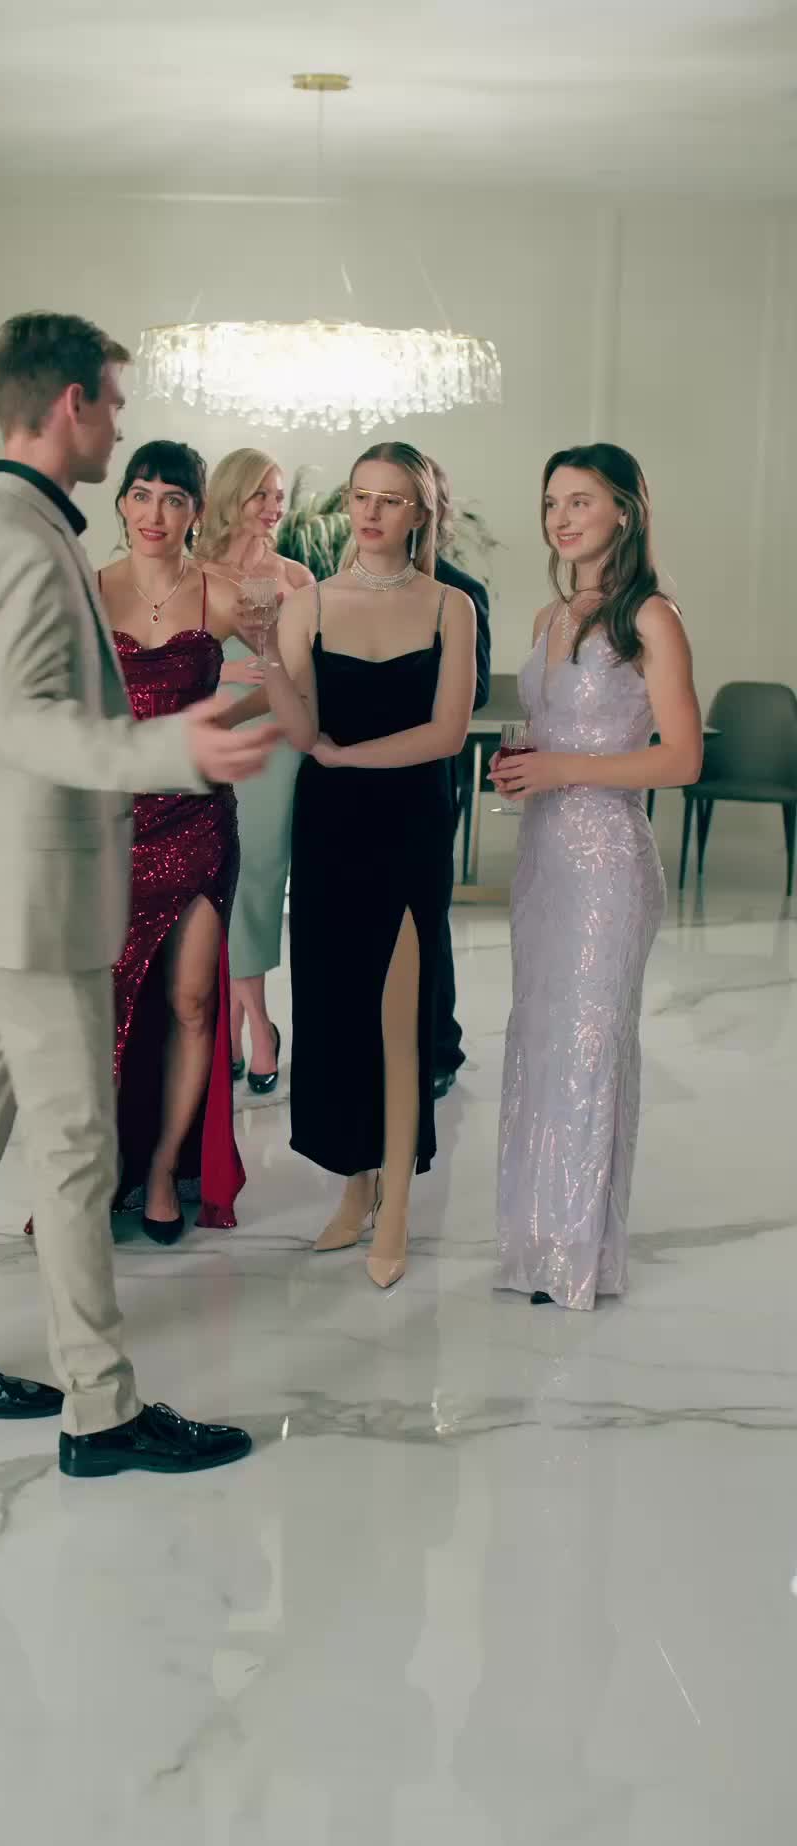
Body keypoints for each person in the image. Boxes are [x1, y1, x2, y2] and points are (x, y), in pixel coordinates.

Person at [0, 313, 278, 1478]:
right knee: (72, 1145)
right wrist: (173, 749)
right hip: (30, 892)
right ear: (71, 404)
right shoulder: (18, 542)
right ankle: (101, 1411)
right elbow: (25, 725)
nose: (117, 424)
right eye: (112, 401)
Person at [259, 442, 476, 1289]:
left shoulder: (450, 607)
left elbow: (448, 734)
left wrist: (349, 758)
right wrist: (268, 654)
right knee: (338, 1011)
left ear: (420, 513)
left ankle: (397, 1209)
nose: (372, 513)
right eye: (360, 496)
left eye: (391, 499)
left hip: (409, 823)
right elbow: (300, 726)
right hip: (330, 829)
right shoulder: (308, 603)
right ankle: (355, 1186)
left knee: (398, 1017)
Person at [492, 442, 701, 1309]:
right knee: (539, 1040)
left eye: (581, 500)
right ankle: (533, 1247)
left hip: (609, 862)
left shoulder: (649, 617)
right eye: (552, 503)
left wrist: (564, 768)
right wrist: (523, 765)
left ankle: (580, 1256)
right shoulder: (549, 617)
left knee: (591, 1046)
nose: (562, 518)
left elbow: (682, 758)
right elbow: (550, 738)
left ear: (624, 510)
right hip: (543, 856)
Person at [99, 441, 249, 1238]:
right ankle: (98, 1168)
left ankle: (163, 1168)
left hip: (196, 823)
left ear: (196, 512)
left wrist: (220, 725)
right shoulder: (88, 592)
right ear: (122, 502)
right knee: (101, 1010)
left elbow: (291, 682)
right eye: (141, 494)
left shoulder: (220, 596)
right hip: (110, 829)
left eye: (174, 498)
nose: (154, 513)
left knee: (191, 1001)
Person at [196, 450, 314, 1093]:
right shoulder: (195, 572)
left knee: (260, 881)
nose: (274, 507)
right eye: (261, 495)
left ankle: (247, 1025)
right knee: (221, 885)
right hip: (213, 739)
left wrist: (273, 655)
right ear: (232, 496)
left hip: (274, 742)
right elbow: (169, 661)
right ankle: (249, 1024)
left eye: (279, 495)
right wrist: (223, 667)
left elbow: (310, 665)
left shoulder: (295, 575)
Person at [428, 458, 492, 1099]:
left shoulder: (462, 591)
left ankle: (438, 1046)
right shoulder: (345, 586)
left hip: (428, 775)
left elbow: (475, 692)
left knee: (427, 915)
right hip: (350, 779)